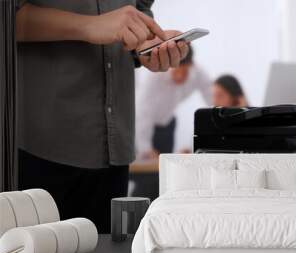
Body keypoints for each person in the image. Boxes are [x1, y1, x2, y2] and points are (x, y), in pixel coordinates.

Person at [16, 1, 189, 233]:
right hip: (40, 145)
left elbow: (138, 7)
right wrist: (88, 25)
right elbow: (8, 16)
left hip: (114, 148)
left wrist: (146, 43)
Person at [135, 46, 212, 159]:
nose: (180, 77)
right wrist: (146, 148)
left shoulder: (199, 73)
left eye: (184, 72)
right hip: (144, 125)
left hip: (168, 124)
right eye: (177, 71)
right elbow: (143, 112)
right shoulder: (154, 77)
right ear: (170, 65)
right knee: (147, 165)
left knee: (166, 168)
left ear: (191, 66)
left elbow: (213, 98)